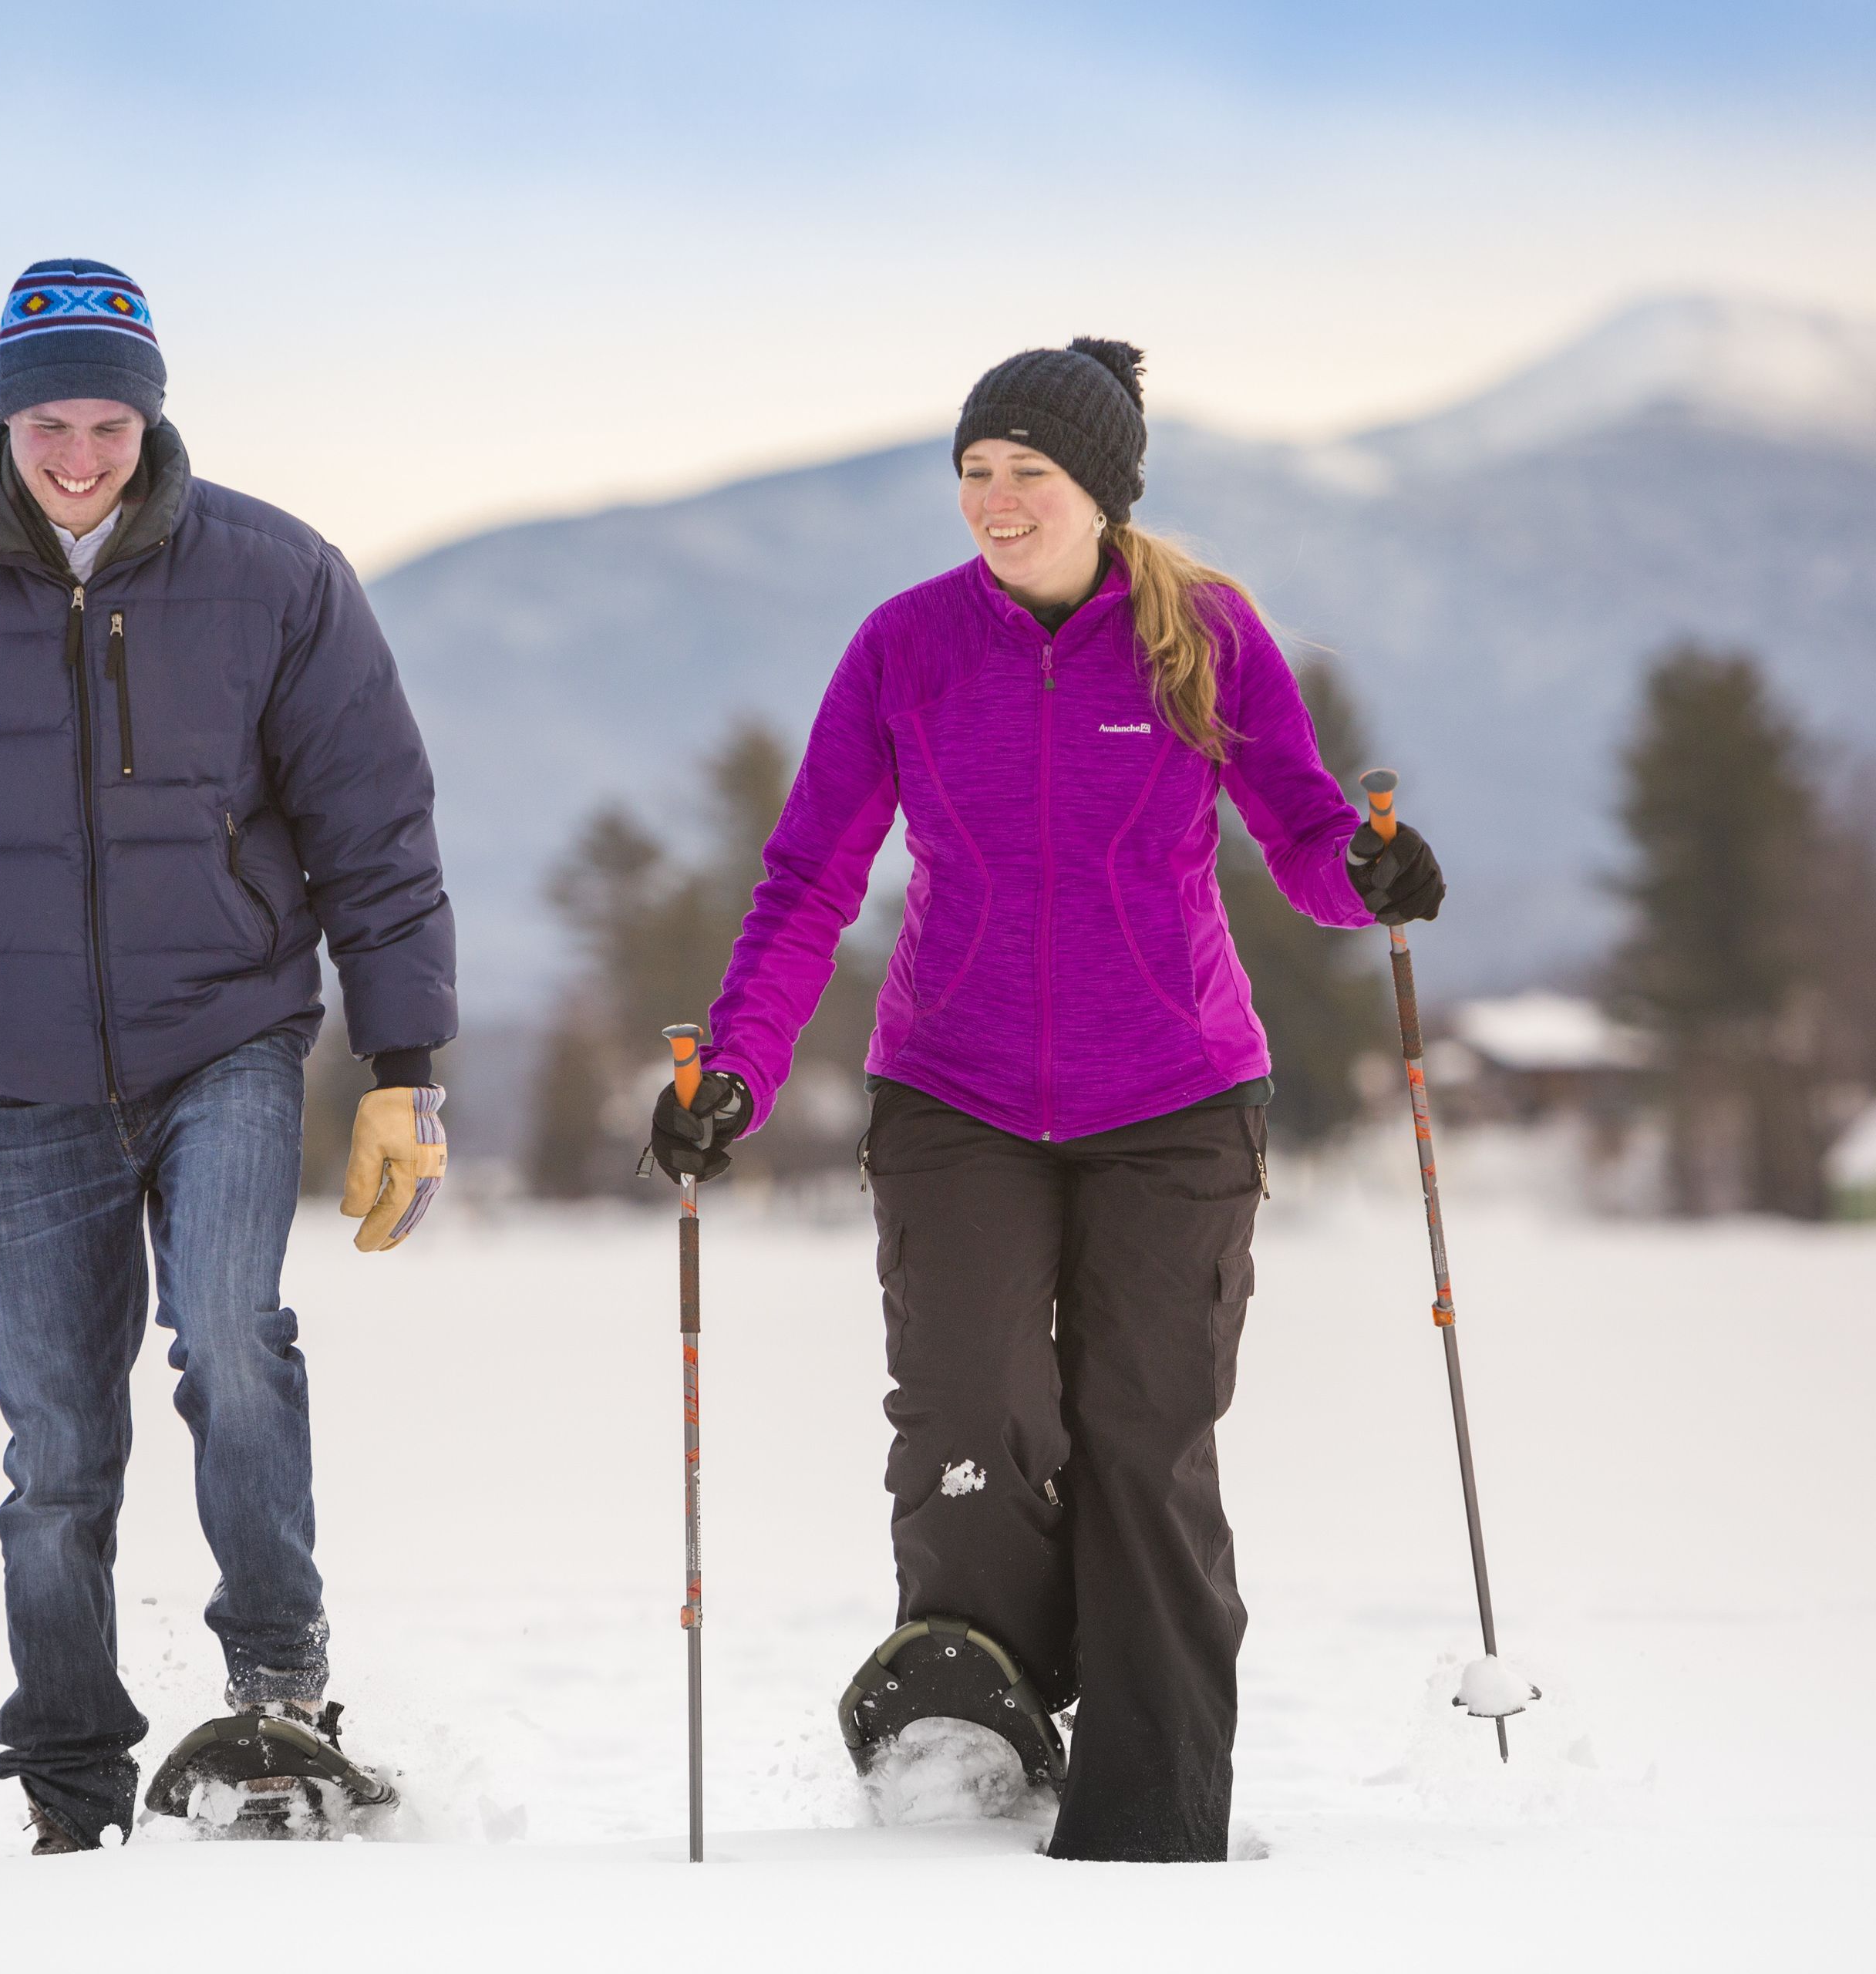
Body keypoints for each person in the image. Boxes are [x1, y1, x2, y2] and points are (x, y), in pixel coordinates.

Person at [647, 339, 1443, 1864]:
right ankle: (973, 1722)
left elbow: (1301, 828)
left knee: (1143, 1431)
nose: (998, 504)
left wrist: (1365, 874)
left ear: (1105, 491)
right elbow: (812, 873)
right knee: (972, 1407)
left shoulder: (1201, 635)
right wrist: (736, 1066)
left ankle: (1149, 1819)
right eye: (976, 474)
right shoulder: (907, 646)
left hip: (1178, 1091)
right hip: (957, 1086)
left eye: (1031, 475)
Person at [0, 257, 457, 1853]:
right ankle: (73, 1780)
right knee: (57, 1441)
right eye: (50, 422)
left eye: (110, 421)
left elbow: (377, 828)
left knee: (230, 1328)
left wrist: (404, 1059)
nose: (80, 454)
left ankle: (279, 1690)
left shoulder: (278, 575)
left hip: (233, 1033)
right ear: (1, 421)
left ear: (153, 411)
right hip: (33, 1069)